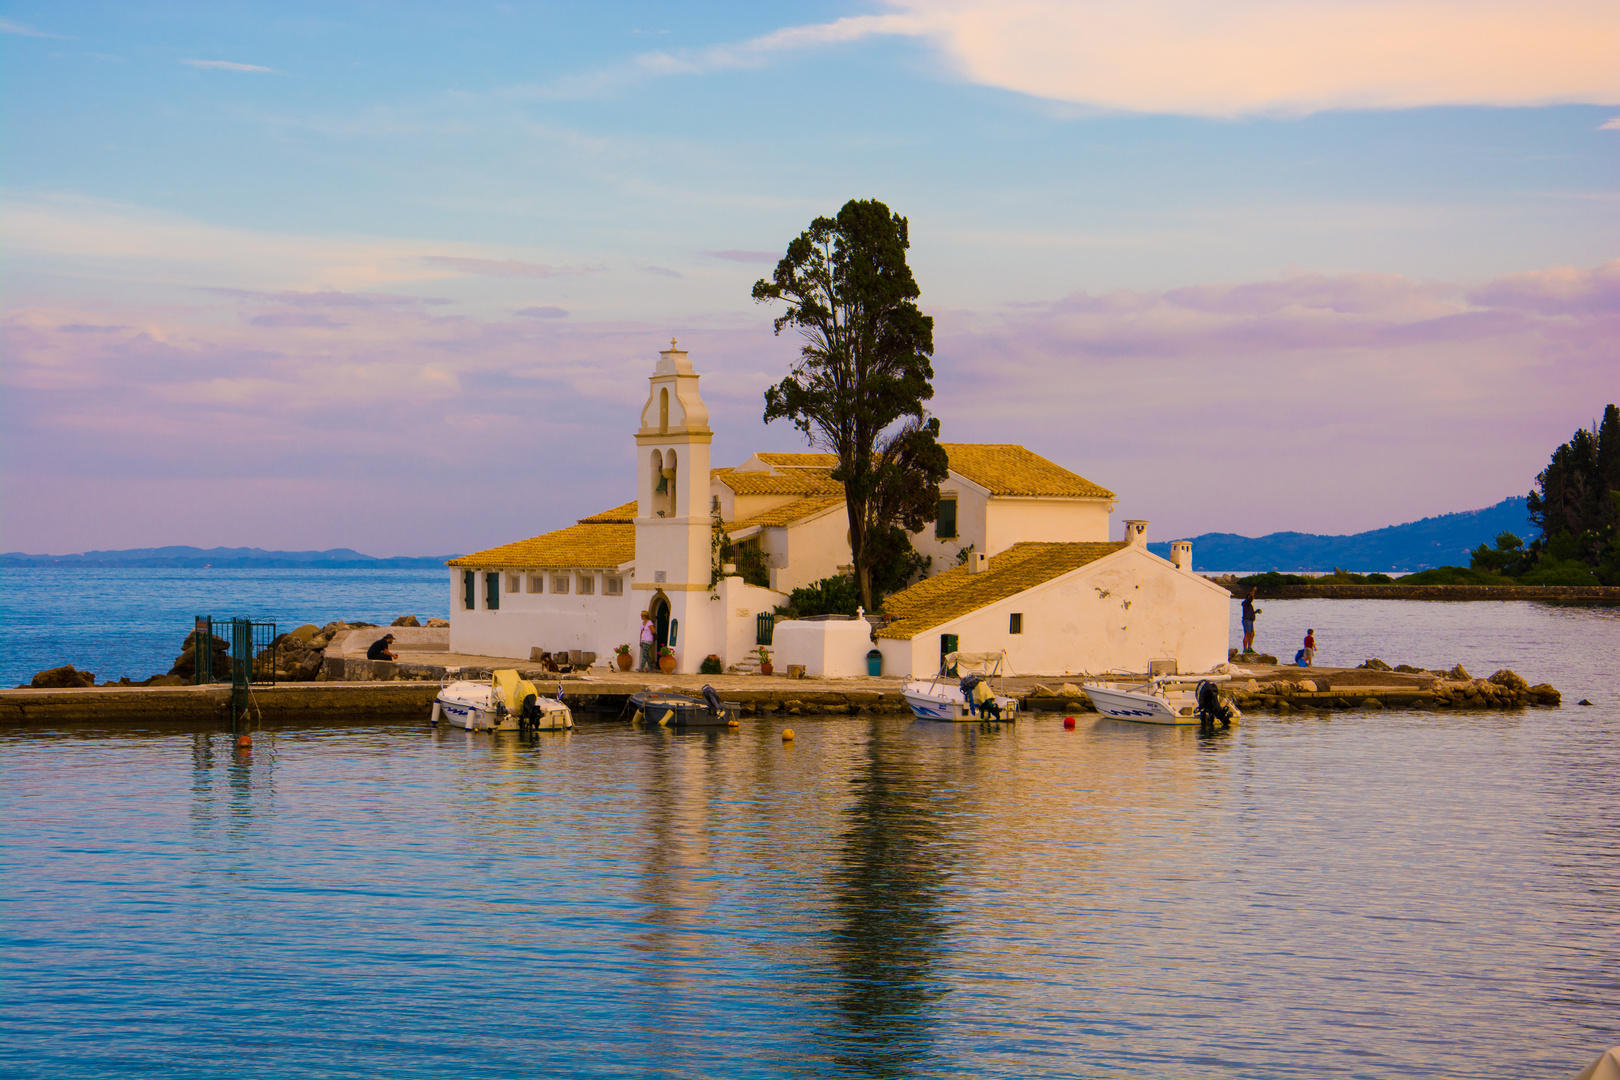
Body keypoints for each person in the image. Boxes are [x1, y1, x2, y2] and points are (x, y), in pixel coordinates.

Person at [1241, 589, 1260, 653]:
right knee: (1247, 634)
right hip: (1247, 621)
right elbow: (1251, 598)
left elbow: (1249, 613)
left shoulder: (1248, 604)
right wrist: (1253, 591)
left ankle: (1250, 648)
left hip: (1250, 621)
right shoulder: (1247, 602)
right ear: (1248, 597)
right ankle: (1245, 649)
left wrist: (1255, 612)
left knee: (1252, 634)